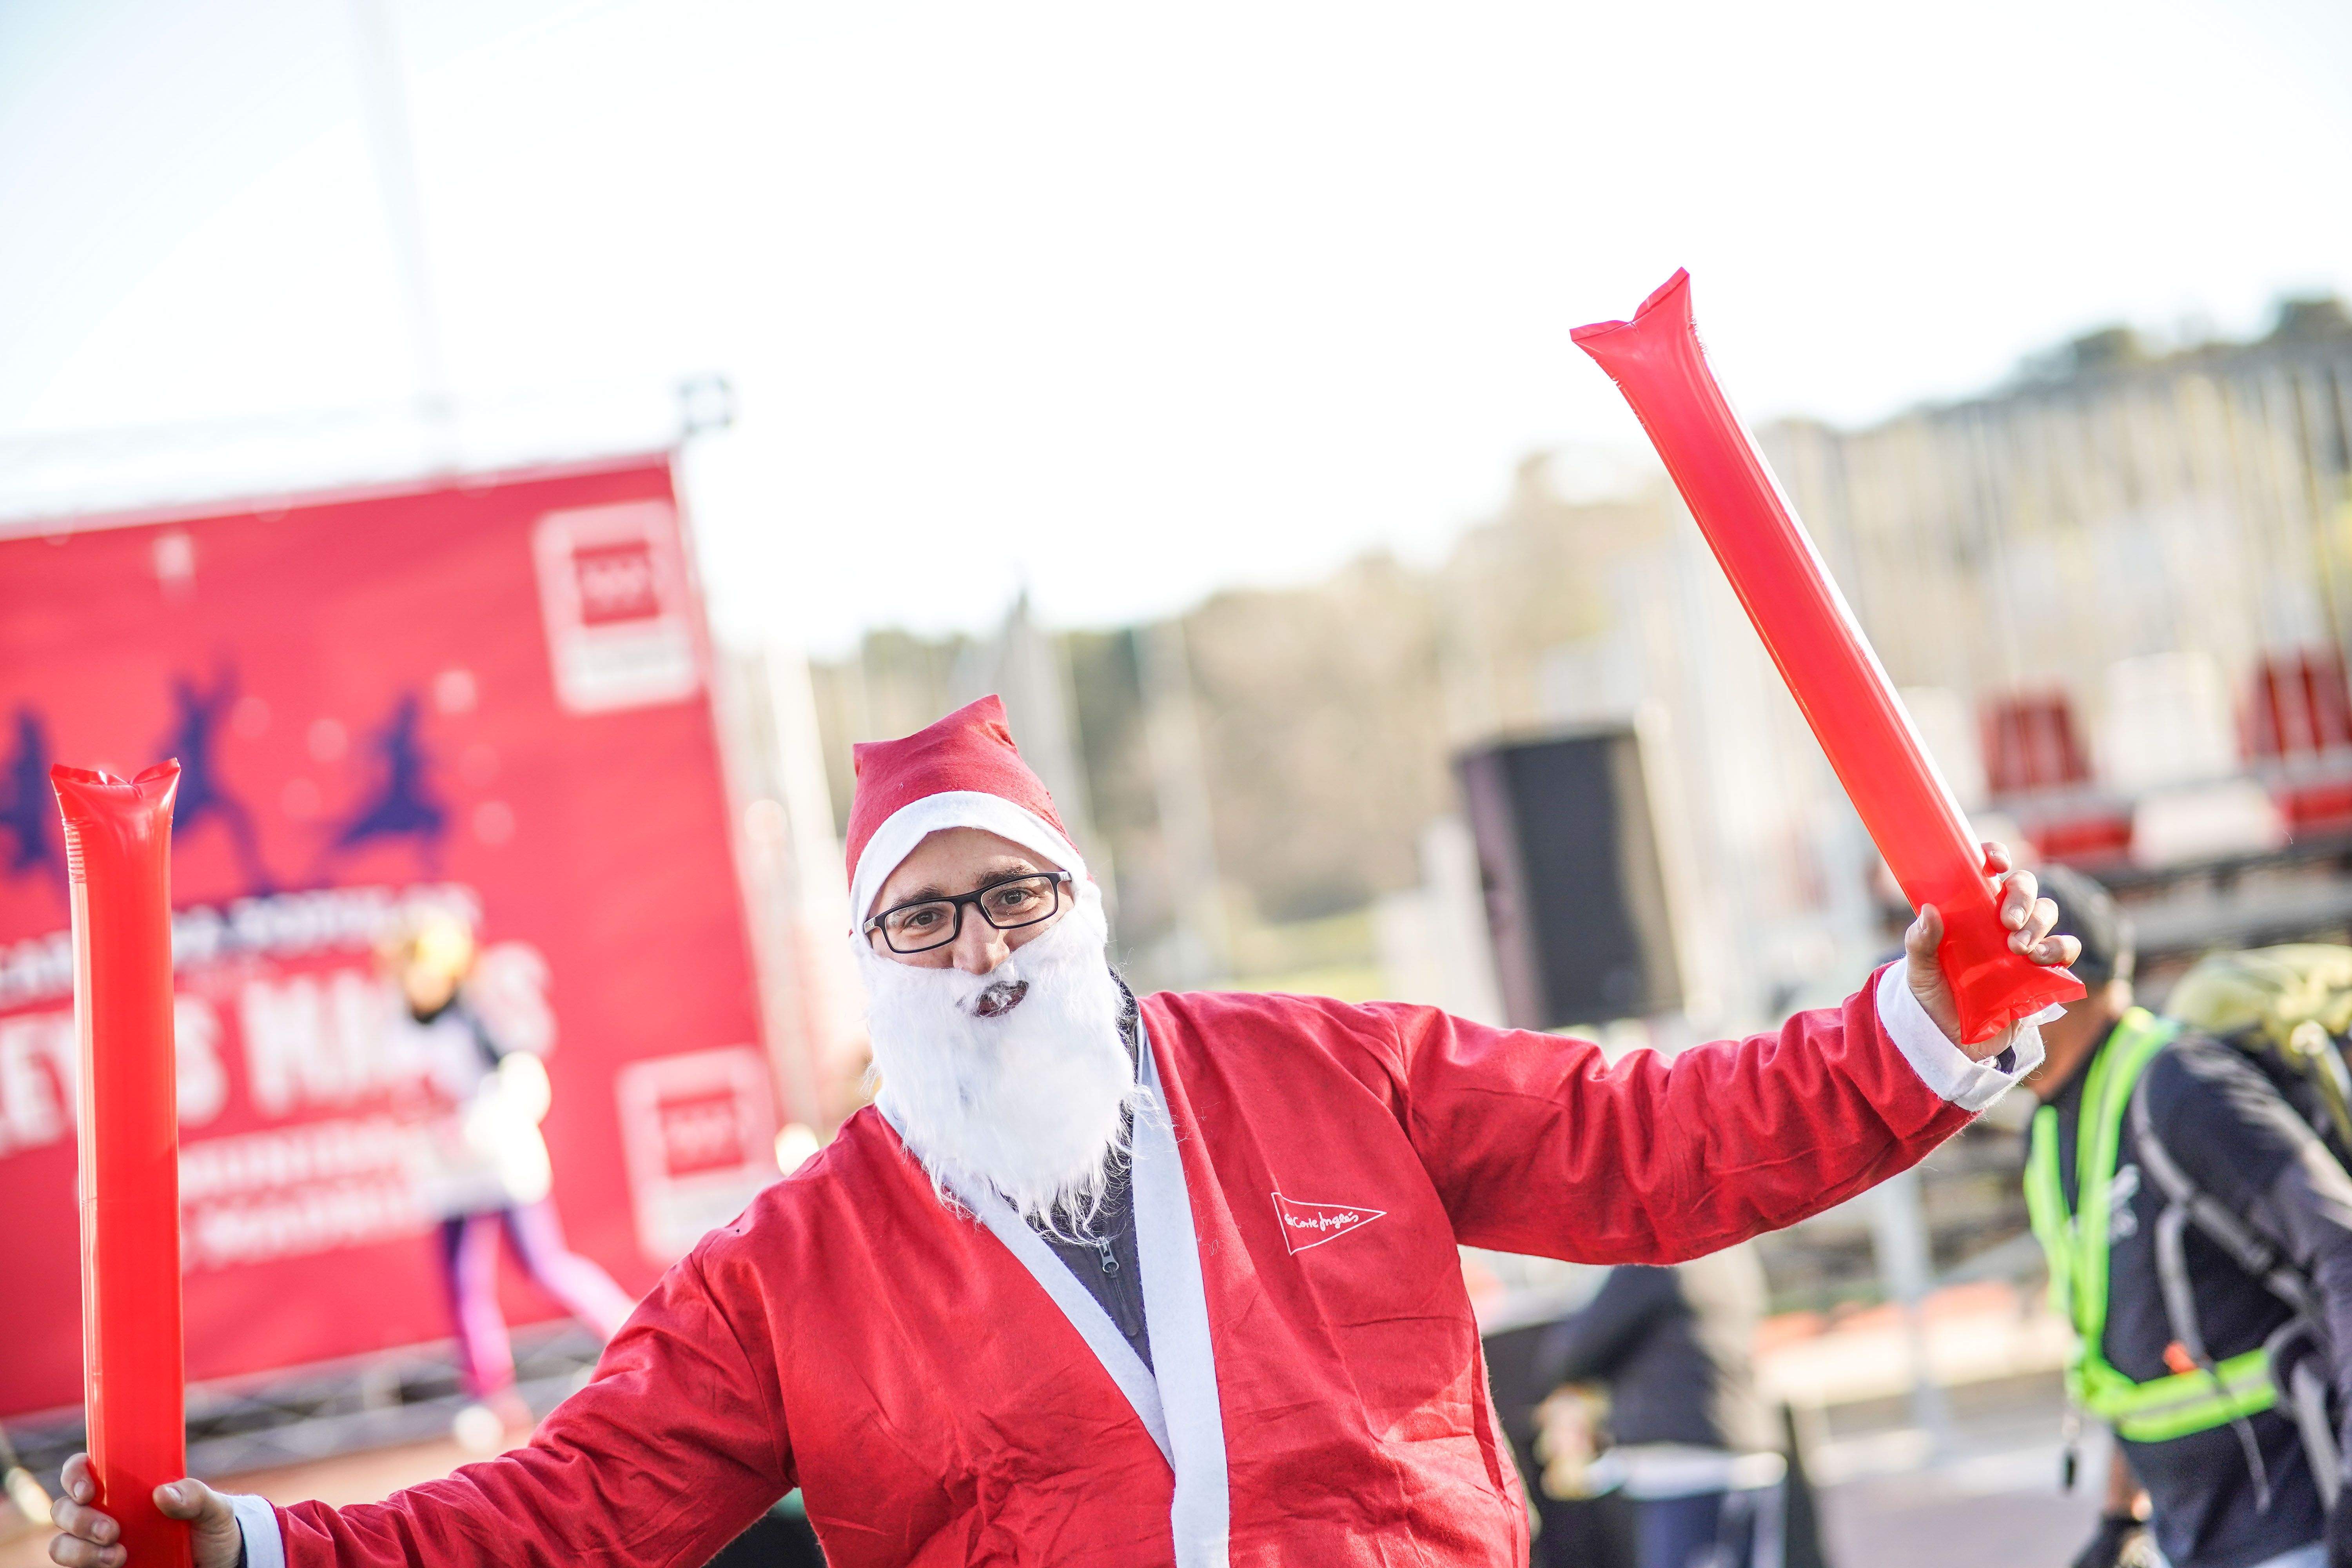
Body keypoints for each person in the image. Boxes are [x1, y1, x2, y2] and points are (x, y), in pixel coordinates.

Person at [48, 695, 2075, 1568]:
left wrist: (1917, 1028)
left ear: (1082, 904)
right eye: (925, 918)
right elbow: (560, 1519)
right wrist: (247, 1546)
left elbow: (1661, 1143)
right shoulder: (789, 1269)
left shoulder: (1325, 1070)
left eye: (1014, 895)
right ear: (875, 968)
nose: (984, 947)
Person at [2021, 867, 2352, 1568]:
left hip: (2296, 1525)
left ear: (2055, 988)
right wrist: (2120, 1519)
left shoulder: (2182, 1087)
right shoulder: (2049, 1128)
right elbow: (2126, 1346)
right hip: (2188, 1537)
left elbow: (2343, 1248)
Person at [385, 909, 637, 1452]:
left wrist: (483, 1124)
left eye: (425, 967)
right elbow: (409, 1102)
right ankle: (489, 1396)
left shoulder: (473, 1019)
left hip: (502, 1166)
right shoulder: (398, 1030)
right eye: (408, 967)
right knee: (462, 1285)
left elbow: (521, 1078)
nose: (416, 978)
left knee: (544, 1266)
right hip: (447, 1180)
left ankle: (635, 1337)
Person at [1534, 1246, 1784, 1568]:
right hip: (1749, 1448)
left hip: (1682, 1465)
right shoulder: (1733, 1253)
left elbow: (1570, 1354)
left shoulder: (1661, 1259)